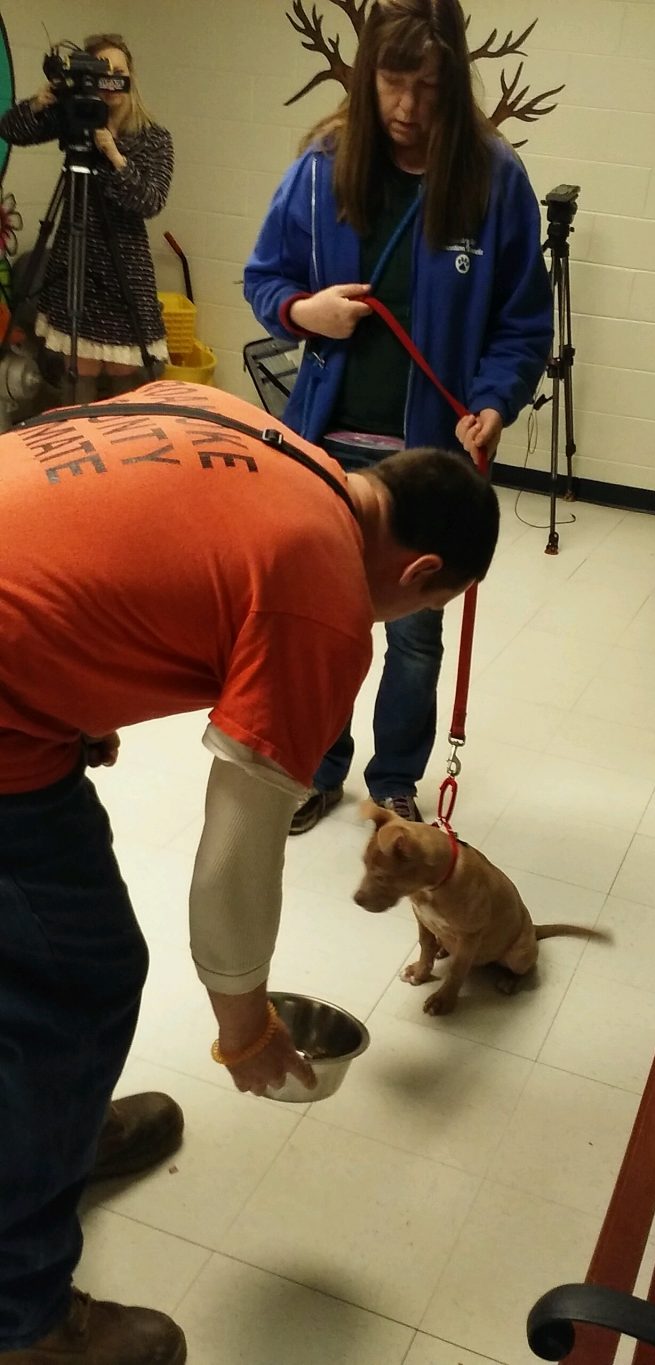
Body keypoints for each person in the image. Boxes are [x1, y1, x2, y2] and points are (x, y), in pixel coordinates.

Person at [0, 377, 499, 1363]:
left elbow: (83, 510)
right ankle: (23, 1319)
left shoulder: (253, 427)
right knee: (77, 984)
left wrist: (75, 685)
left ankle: (46, 1135)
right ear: (424, 570)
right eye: (425, 605)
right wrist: (245, 1025)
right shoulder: (325, 596)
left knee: (28, 968)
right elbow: (237, 849)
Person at [244, 0, 552, 833]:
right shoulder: (320, 165)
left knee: (415, 634)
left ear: (454, 82)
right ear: (365, 71)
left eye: (428, 86)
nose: (409, 108)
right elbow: (264, 278)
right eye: (391, 82)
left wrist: (492, 400)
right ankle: (316, 766)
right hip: (327, 447)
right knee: (320, 617)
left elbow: (523, 322)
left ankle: (394, 782)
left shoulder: (495, 177)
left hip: (430, 458)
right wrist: (308, 315)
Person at [0, 33, 173, 403]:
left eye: (118, 72)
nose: (110, 82)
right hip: (75, 265)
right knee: (81, 373)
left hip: (125, 269)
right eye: (101, 72)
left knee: (126, 379)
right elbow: (10, 130)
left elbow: (150, 201)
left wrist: (114, 156)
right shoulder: (73, 120)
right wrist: (39, 103)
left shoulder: (152, 137)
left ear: (131, 77)